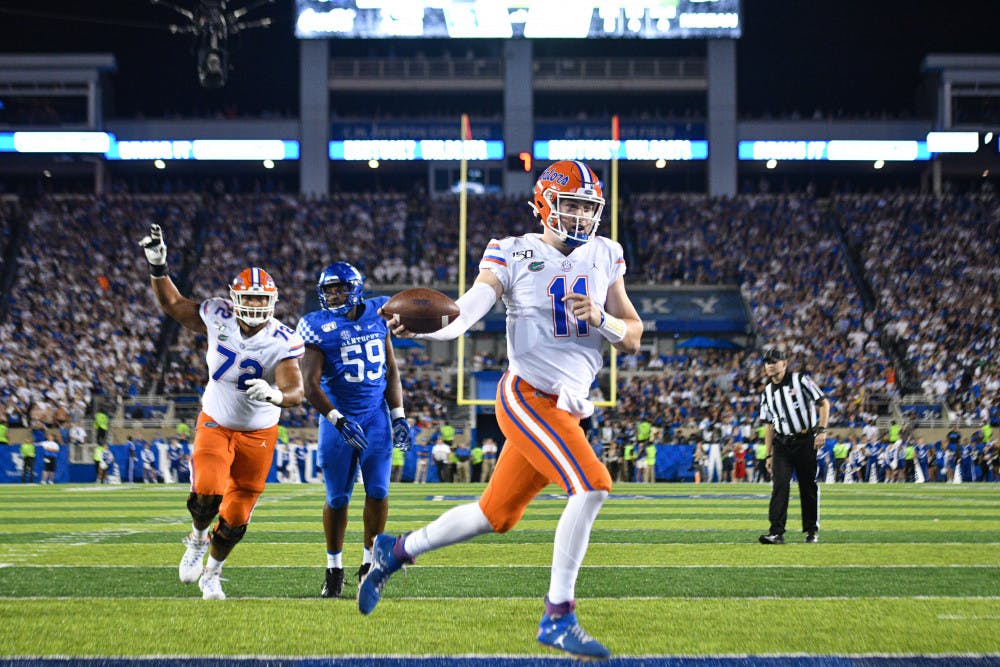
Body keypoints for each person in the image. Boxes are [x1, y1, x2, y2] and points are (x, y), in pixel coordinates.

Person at [359, 160, 643, 660]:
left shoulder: (607, 253)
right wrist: (427, 328)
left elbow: (634, 337)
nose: (579, 216)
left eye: (587, 207)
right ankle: (559, 615)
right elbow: (463, 313)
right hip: (527, 394)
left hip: (571, 406)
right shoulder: (512, 251)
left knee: (496, 514)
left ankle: (395, 550)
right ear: (543, 205)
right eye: (570, 205)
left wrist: (605, 320)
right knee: (594, 484)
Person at [140, 223, 305, 601]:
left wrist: (276, 395)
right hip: (216, 420)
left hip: (259, 432)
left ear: (274, 301)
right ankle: (197, 537)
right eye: (251, 297)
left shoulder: (283, 338)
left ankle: (212, 573)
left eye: (264, 300)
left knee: (237, 517)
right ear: (234, 297)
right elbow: (173, 306)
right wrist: (158, 266)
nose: (258, 305)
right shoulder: (217, 315)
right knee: (208, 489)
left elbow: (295, 388)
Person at [295, 261, 411, 599]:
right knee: (337, 497)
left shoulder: (380, 311)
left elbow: (391, 370)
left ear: (356, 288)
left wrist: (399, 416)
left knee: (378, 491)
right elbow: (309, 385)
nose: (334, 295)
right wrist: (338, 420)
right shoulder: (316, 326)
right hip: (338, 419)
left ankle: (368, 565)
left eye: (340, 288)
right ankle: (333, 568)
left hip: (376, 419)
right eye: (328, 289)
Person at [757, 347, 830, 545]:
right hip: (782, 443)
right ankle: (776, 532)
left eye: (774, 361)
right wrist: (768, 454)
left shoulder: (800, 380)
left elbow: (824, 403)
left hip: (804, 440)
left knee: (807, 486)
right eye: (767, 362)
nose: (770, 366)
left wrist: (821, 430)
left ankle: (811, 530)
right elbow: (768, 425)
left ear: (784, 364)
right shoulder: (767, 392)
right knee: (779, 486)